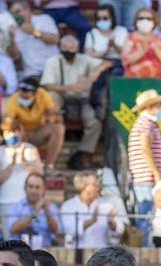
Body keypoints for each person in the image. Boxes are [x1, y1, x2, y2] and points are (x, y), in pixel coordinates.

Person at [39, 34, 108, 171]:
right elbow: (47, 85)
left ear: (77, 49)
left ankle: (82, 153)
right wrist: (68, 88)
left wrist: (96, 72)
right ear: (60, 48)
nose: (68, 51)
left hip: (82, 99)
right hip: (62, 96)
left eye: (72, 48)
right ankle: (50, 134)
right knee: (51, 97)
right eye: (65, 47)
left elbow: (108, 63)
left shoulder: (83, 60)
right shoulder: (53, 61)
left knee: (95, 122)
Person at [127, 89, 161, 246]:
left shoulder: (147, 123)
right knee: (145, 216)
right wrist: (156, 172)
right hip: (146, 177)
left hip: (144, 176)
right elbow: (145, 148)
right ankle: (144, 249)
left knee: (146, 215)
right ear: (151, 106)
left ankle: (146, 246)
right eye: (158, 104)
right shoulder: (145, 123)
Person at [0, 117, 44, 233]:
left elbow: (40, 173)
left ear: (20, 132)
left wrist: (26, 163)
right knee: (9, 238)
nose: (13, 134)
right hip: (6, 201)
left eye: (15, 131)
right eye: (8, 132)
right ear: (3, 135)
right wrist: (12, 164)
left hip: (27, 202)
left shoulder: (30, 149)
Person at [3, 77, 65, 173]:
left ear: (35, 94)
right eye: (21, 96)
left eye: (26, 98)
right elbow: (7, 122)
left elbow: (54, 114)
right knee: (13, 127)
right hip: (21, 134)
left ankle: (49, 166)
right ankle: (18, 165)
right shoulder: (13, 99)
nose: (23, 99)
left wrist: (51, 118)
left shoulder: (43, 95)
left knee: (58, 128)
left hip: (39, 132)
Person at [58, 170, 125, 249]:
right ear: (83, 187)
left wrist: (112, 224)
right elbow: (68, 230)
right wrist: (91, 221)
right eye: (94, 185)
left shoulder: (107, 204)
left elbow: (120, 230)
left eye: (98, 184)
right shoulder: (68, 206)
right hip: (76, 253)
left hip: (101, 253)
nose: (98, 188)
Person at [7, 0, 61, 80]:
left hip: (52, 69)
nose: (16, 16)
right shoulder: (14, 30)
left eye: (18, 11)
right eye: (13, 14)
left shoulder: (44, 19)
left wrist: (34, 32)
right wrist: (11, 37)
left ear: (27, 10)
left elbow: (55, 39)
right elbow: (15, 57)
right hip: (32, 73)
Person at [7, 172, 60, 246]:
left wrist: (47, 210)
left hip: (44, 251)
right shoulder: (15, 206)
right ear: (25, 189)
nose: (34, 191)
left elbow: (56, 231)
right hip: (20, 251)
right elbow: (13, 229)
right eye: (31, 186)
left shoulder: (51, 206)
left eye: (37, 187)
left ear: (43, 190)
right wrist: (35, 212)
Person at [122, 8, 161, 78]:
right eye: (141, 18)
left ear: (154, 21)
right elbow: (125, 60)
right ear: (136, 21)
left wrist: (156, 49)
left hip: (155, 80)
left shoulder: (158, 38)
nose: (145, 21)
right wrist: (141, 52)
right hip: (134, 80)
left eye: (148, 19)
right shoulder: (130, 38)